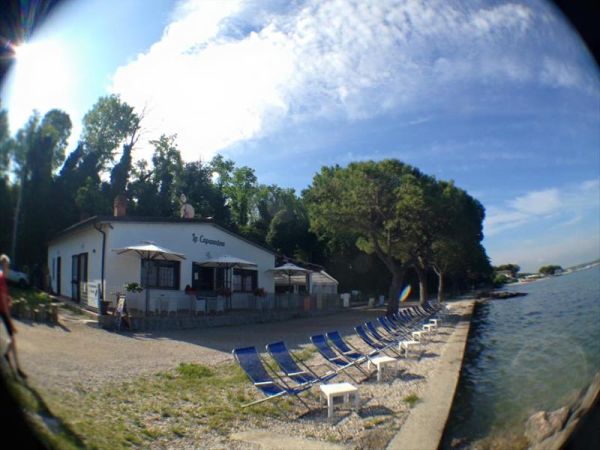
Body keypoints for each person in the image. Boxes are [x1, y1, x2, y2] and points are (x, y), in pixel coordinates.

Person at [0, 254, 26, 379]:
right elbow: (4, 304)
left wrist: (7, 298)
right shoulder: (1, 279)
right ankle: (17, 368)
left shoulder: (2, 279)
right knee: (11, 337)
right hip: (2, 312)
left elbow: (4, 298)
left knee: (11, 338)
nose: (8, 268)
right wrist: (11, 322)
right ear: (4, 265)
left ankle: (7, 357)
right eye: (7, 266)